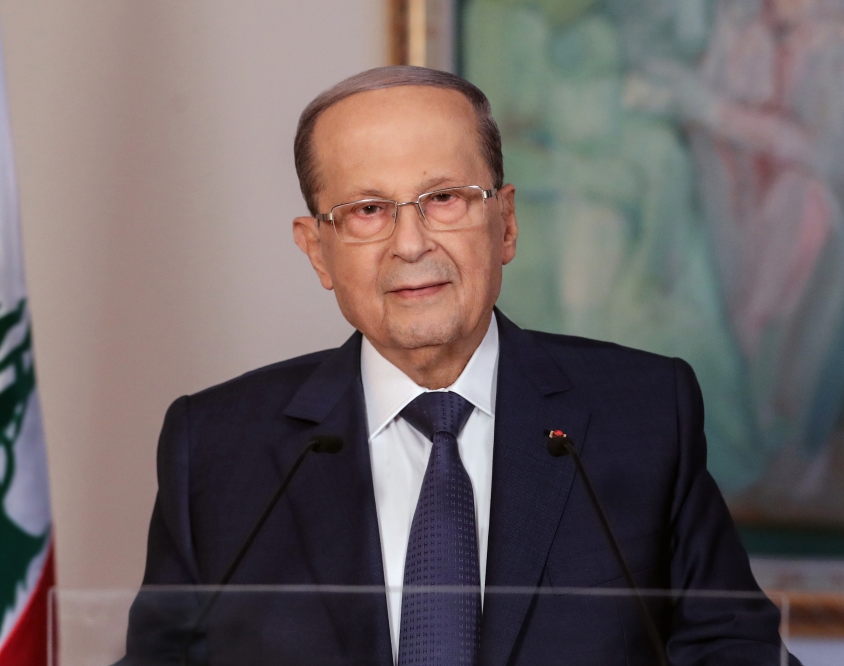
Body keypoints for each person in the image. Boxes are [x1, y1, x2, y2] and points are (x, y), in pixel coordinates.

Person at [122, 66, 797, 665]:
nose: (410, 244)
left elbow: (732, 648)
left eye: (443, 198)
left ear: (504, 222)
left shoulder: (643, 415)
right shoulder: (217, 448)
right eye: (367, 210)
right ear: (317, 251)